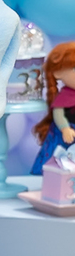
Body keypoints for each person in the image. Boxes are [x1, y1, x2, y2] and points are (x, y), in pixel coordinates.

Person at [32, 41, 75, 172]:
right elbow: (59, 114)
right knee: (60, 164)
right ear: (57, 73)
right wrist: (64, 128)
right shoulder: (65, 96)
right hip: (67, 135)